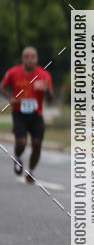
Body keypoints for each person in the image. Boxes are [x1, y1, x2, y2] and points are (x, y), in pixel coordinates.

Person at [1, 46, 53, 184]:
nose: (30, 60)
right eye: (27, 57)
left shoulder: (44, 76)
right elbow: (3, 87)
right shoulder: (13, 72)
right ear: (22, 59)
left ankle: (30, 171)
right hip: (19, 113)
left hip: (36, 114)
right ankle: (17, 156)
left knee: (37, 144)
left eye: (33, 57)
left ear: (37, 59)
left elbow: (50, 99)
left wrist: (47, 90)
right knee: (21, 142)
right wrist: (10, 98)